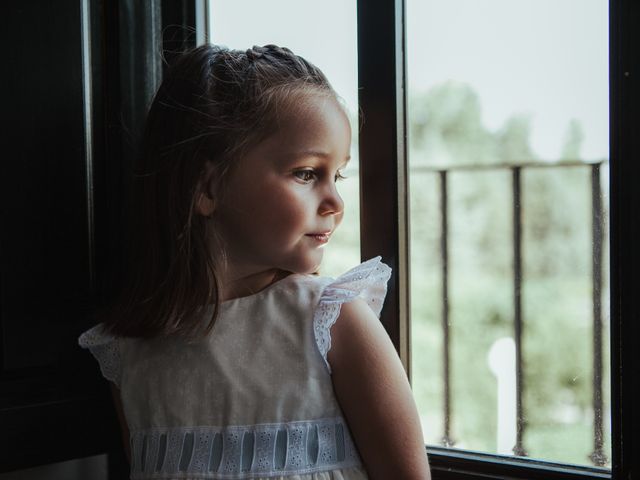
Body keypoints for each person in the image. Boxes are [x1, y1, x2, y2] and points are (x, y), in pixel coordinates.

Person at [79, 44, 430, 480]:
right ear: (206, 187)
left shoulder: (334, 322)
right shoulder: (128, 353)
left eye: (336, 176)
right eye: (306, 173)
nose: (336, 202)